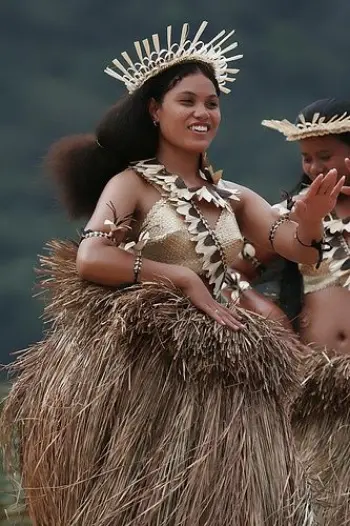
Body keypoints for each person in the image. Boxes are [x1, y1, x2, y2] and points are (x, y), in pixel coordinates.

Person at [0, 23, 343, 526]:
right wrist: (177, 278)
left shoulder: (234, 197)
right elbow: (91, 258)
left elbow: (291, 243)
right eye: (188, 101)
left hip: (228, 380)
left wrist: (310, 218)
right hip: (150, 374)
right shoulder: (131, 184)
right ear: (155, 110)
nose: (204, 113)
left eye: (213, 103)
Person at [235, 97, 350, 524]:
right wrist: (266, 314)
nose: (315, 168)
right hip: (319, 387)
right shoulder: (290, 218)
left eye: (326, 155)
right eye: (306, 158)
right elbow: (225, 267)